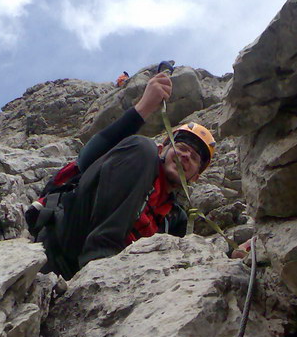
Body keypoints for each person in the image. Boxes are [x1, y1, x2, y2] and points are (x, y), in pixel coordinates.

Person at [39, 72, 216, 280]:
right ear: (163, 149)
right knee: (142, 146)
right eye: (181, 147)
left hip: (99, 273)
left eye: (194, 158)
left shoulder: (174, 219)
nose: (185, 156)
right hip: (66, 237)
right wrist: (145, 106)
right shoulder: (138, 158)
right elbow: (88, 157)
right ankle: (101, 253)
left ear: (195, 177)